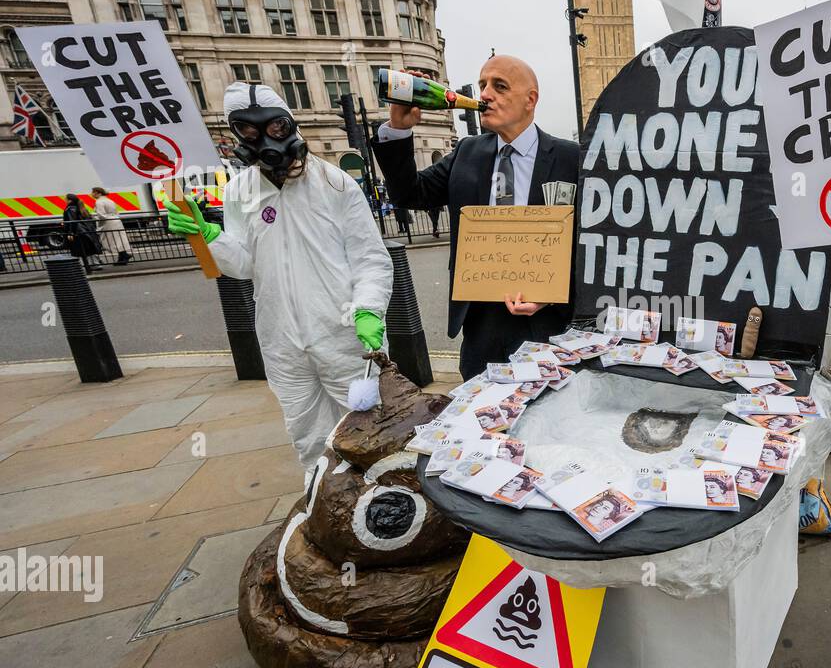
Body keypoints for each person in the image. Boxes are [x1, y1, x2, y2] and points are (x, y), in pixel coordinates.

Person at [163, 83, 393, 472]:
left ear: (290, 124)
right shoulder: (239, 191)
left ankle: (380, 506)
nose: (265, 140)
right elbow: (245, 265)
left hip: (344, 336)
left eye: (275, 127)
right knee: (308, 438)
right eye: (249, 132)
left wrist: (368, 309)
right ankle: (321, 503)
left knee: (370, 432)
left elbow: (370, 258)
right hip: (282, 341)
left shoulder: (336, 185)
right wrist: (210, 237)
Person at [373, 56, 579, 380]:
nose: (484, 94)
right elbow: (410, 194)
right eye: (483, 84)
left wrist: (553, 292)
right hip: (481, 328)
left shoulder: (571, 159)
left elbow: (592, 245)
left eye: (499, 86)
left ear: (531, 99)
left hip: (548, 326)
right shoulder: (467, 152)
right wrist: (399, 129)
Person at [90, 186, 132, 265]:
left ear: (98, 193)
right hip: (116, 220)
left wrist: (93, 216)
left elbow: (101, 215)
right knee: (119, 239)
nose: (91, 194)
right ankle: (123, 257)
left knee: (111, 240)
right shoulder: (109, 200)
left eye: (93, 192)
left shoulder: (99, 202)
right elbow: (116, 212)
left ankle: (123, 256)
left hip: (108, 222)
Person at [61, 194, 101, 273]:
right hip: (86, 231)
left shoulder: (70, 209)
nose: (64, 200)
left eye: (65, 199)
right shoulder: (81, 207)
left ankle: (85, 267)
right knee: (88, 249)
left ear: (70, 200)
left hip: (78, 232)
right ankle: (95, 264)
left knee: (80, 250)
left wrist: (70, 233)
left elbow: (72, 222)